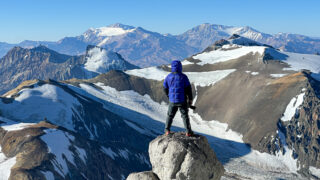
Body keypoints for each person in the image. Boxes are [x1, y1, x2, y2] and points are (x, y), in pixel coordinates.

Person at [163, 60, 194, 137]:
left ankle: (167, 130)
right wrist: (190, 99)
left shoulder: (168, 77)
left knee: (170, 115)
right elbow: (188, 89)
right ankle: (188, 131)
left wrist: (169, 96)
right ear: (180, 67)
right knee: (184, 116)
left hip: (172, 100)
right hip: (182, 100)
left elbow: (165, 88)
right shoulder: (183, 77)